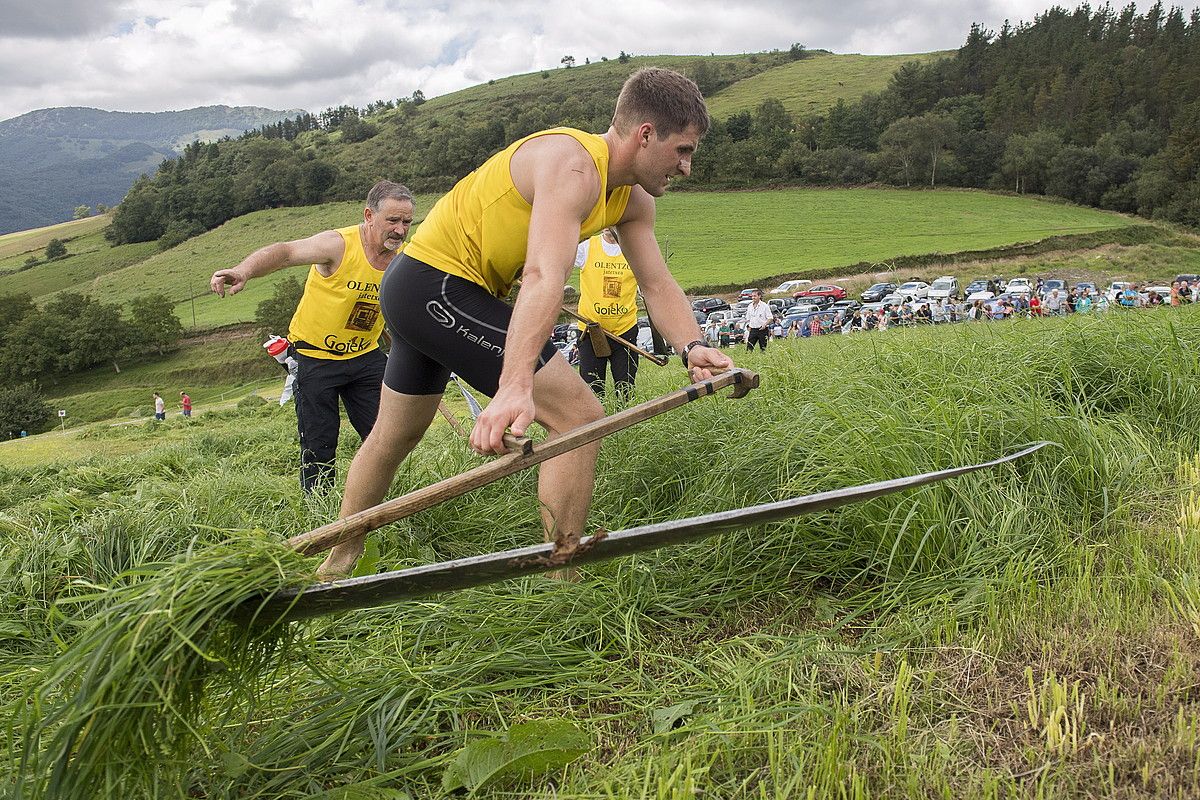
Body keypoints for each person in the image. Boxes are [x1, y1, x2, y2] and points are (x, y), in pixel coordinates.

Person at [318, 68, 732, 579]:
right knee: (578, 415)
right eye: (683, 151)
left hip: (419, 290)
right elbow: (543, 275)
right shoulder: (573, 166)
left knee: (393, 436)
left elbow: (657, 284)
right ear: (646, 134)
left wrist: (692, 346)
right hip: (436, 287)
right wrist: (515, 386)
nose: (687, 168)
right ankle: (564, 579)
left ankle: (335, 567)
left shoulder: (633, 199)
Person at [210, 181, 416, 492]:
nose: (400, 231)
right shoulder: (338, 245)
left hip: (364, 357)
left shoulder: (404, 259)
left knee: (385, 435)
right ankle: (319, 512)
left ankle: (382, 500)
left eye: (406, 222)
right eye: (392, 220)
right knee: (319, 444)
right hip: (314, 359)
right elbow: (285, 253)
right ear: (369, 215)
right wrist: (244, 270)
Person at [573, 228, 641, 400]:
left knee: (625, 389)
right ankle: (595, 425)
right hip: (590, 331)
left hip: (624, 331)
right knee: (592, 390)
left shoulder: (635, 249)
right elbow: (555, 262)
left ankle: (627, 424)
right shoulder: (586, 248)